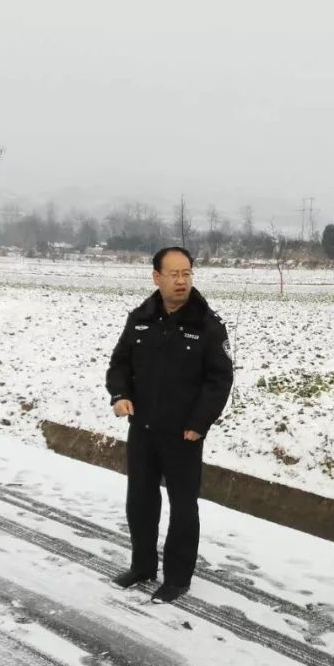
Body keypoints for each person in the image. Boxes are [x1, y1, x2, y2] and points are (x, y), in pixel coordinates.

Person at [105, 246, 234, 603]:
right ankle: (142, 566)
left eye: (187, 273)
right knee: (141, 501)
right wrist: (119, 395)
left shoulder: (207, 325)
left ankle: (177, 577)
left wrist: (199, 422)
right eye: (174, 274)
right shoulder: (140, 318)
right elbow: (119, 364)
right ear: (157, 277)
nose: (181, 281)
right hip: (143, 429)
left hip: (183, 434)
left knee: (183, 506)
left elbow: (219, 379)